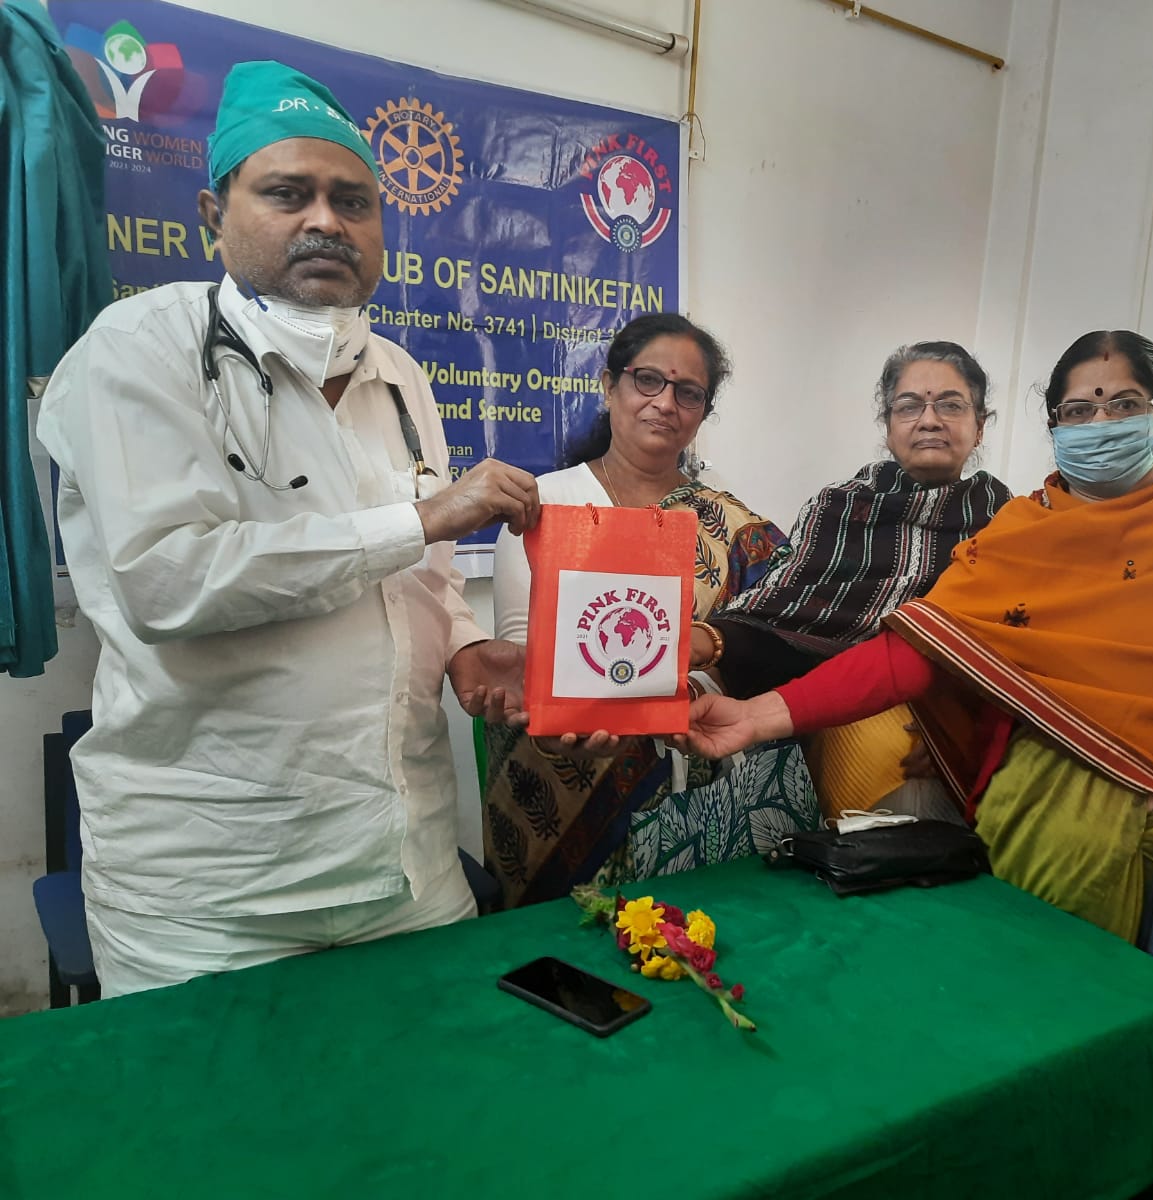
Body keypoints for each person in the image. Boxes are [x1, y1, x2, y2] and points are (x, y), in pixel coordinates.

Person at [34, 62, 538, 997]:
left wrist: (467, 647)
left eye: (353, 201)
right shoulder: (139, 349)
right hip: (214, 895)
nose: (326, 221)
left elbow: (419, 573)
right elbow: (167, 580)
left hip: (407, 863)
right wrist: (423, 516)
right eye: (287, 193)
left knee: (437, 1122)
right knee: (219, 1136)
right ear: (212, 214)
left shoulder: (399, 374)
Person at [677, 330, 1153, 985]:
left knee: (1110, 1015)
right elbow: (918, 655)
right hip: (1027, 809)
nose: (1100, 422)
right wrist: (755, 717)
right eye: (1079, 409)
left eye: (1123, 404)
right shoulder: (1022, 534)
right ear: (1055, 428)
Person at [485, 313, 817, 907]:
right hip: (565, 792)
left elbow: (783, 635)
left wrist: (694, 667)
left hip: (703, 800)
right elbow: (522, 652)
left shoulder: (728, 522)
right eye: (647, 381)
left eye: (688, 392)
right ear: (610, 385)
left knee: (698, 952)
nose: (666, 403)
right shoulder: (546, 505)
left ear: (702, 412)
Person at [708, 341, 1012, 821]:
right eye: (910, 406)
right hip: (839, 711)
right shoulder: (837, 509)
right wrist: (709, 641)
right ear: (888, 427)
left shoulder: (1010, 524)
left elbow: (1010, 649)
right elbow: (781, 616)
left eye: (951, 405)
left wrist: (956, 731)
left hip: (964, 733)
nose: (929, 420)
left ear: (979, 427)